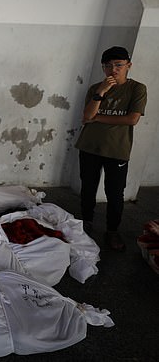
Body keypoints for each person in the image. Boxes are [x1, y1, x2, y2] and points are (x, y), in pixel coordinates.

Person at [75, 46, 147, 250]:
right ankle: (86, 223)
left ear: (128, 66)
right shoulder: (95, 88)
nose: (113, 69)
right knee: (88, 187)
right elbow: (86, 116)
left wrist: (97, 117)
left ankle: (112, 231)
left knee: (115, 192)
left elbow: (132, 119)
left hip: (117, 149)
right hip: (89, 146)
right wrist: (101, 93)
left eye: (118, 65)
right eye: (108, 66)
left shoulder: (137, 89)